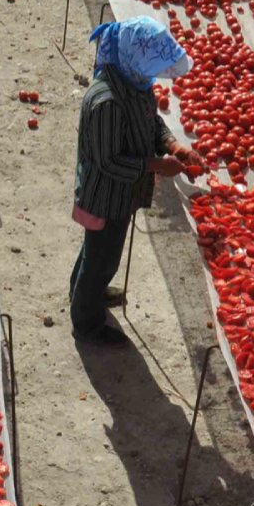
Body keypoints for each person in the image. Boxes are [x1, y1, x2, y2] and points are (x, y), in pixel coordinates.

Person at [69, 17, 201, 345]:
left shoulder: (133, 80)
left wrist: (173, 145)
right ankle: (86, 325)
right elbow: (109, 161)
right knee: (101, 258)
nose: (155, 76)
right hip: (104, 195)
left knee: (97, 251)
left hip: (121, 194)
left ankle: (86, 292)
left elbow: (151, 121)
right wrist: (156, 165)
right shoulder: (107, 102)